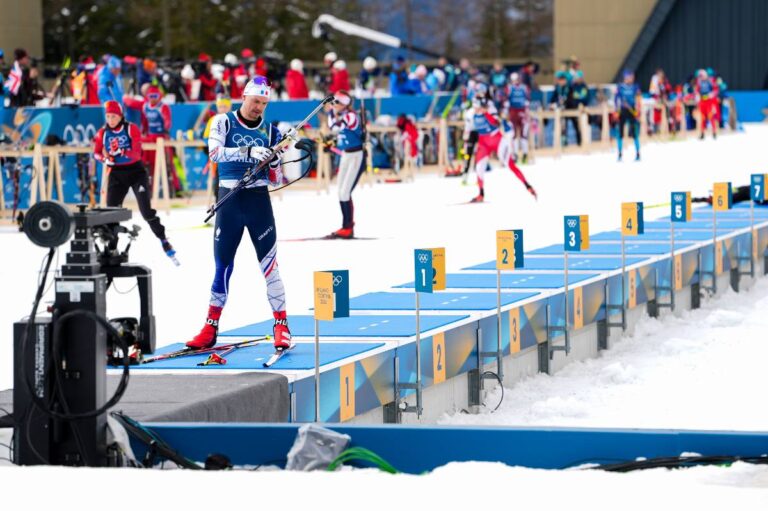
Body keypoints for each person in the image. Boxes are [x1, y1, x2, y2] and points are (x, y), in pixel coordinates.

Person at [187, 76, 295, 351]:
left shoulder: (271, 132)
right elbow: (214, 153)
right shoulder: (222, 121)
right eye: (255, 101)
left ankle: (281, 325)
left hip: (258, 202)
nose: (259, 107)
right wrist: (249, 152)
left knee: (270, 267)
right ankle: (210, 327)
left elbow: (276, 180)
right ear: (244, 97)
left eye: (264, 103)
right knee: (222, 266)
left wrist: (273, 163)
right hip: (230, 200)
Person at [92, 100, 175, 261]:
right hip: (116, 174)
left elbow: (137, 154)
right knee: (112, 213)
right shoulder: (102, 132)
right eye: (108, 116)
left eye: (114, 116)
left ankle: (163, 239)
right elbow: (96, 152)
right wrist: (104, 159)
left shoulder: (131, 128)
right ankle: (112, 248)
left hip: (136, 172)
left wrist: (121, 151)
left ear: (120, 116)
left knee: (146, 211)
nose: (110, 120)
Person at [464, 95, 537, 202]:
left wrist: (487, 113)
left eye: (480, 107)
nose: (477, 109)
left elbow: (497, 122)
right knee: (479, 167)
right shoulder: (470, 113)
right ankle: (481, 194)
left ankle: (528, 186)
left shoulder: (490, 109)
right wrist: (466, 138)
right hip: (484, 142)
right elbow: (468, 128)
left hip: (497, 140)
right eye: (477, 107)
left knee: (510, 165)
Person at [326, 91, 365, 239]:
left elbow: (337, 127)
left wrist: (331, 111)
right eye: (334, 102)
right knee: (340, 192)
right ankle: (346, 226)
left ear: (345, 104)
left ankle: (348, 227)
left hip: (356, 155)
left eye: (338, 103)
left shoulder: (351, 116)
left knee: (345, 192)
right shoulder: (338, 114)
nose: (335, 105)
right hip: (346, 155)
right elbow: (333, 128)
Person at [614, 69, 642, 161]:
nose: (631, 79)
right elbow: (616, 99)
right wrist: (616, 111)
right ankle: (619, 154)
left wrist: (638, 111)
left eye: (632, 77)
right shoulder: (620, 87)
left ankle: (638, 154)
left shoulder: (635, 87)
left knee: (635, 133)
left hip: (632, 111)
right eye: (629, 77)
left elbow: (639, 99)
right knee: (620, 133)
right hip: (622, 111)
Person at [505, 72, 530, 163]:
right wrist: (506, 112)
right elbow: (506, 100)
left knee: (523, 135)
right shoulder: (509, 88)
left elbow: (527, 99)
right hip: (513, 112)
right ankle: (514, 155)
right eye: (514, 80)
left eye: (517, 79)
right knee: (514, 135)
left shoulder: (524, 87)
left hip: (522, 112)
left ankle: (525, 155)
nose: (516, 81)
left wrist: (527, 111)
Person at [695, 68, 719, 140]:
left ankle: (714, 132)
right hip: (702, 102)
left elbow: (716, 89)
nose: (701, 77)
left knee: (711, 117)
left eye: (702, 76)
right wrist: (697, 96)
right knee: (702, 118)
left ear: (705, 75)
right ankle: (702, 133)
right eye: (700, 76)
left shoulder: (710, 81)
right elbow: (697, 90)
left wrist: (712, 94)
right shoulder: (699, 82)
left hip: (709, 101)